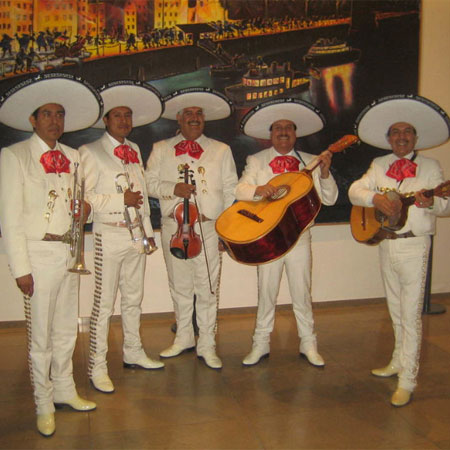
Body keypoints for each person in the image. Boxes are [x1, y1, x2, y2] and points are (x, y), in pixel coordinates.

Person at [0, 74, 103, 436]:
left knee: (66, 329)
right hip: (38, 254)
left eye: (59, 114)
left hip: (67, 250)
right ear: (33, 120)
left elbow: (79, 201)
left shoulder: (74, 156)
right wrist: (20, 268)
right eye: (47, 114)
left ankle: (65, 389)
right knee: (41, 335)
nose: (55, 121)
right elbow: (9, 218)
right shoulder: (13, 156)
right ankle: (43, 402)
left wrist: (85, 209)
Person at [348, 95, 450, 407]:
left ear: (416, 138)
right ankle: (396, 361)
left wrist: (431, 201)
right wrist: (374, 200)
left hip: (415, 245)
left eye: (407, 132)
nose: (401, 137)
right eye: (395, 132)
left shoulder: (431, 167)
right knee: (395, 310)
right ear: (389, 138)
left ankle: (408, 378)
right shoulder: (379, 165)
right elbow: (355, 190)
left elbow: (445, 206)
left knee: (410, 314)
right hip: (385, 244)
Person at [235, 99, 338, 367]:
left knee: (302, 293)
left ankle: (309, 344)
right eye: (278, 128)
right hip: (269, 237)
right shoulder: (256, 160)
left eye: (288, 128)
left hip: (300, 238)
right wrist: (259, 190)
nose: (283, 132)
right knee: (266, 293)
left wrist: (325, 174)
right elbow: (240, 190)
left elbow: (330, 199)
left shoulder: (312, 162)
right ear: (270, 134)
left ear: (295, 133)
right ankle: (260, 345)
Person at [79, 81, 165, 394]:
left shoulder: (135, 150)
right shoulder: (89, 152)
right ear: (106, 120)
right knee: (103, 304)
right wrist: (120, 202)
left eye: (128, 116)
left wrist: (146, 231)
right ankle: (97, 366)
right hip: (109, 234)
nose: (124, 121)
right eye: (118, 116)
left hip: (134, 237)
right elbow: (85, 198)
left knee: (133, 299)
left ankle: (133, 351)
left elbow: (139, 194)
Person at [145, 88, 238, 369]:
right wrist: (173, 188)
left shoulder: (222, 150)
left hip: (208, 228)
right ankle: (184, 337)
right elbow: (147, 182)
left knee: (208, 288)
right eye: (189, 114)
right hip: (174, 228)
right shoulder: (161, 149)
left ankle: (207, 344)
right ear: (179, 118)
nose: (194, 118)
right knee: (180, 287)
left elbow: (231, 190)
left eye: (199, 114)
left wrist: (226, 229)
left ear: (204, 120)